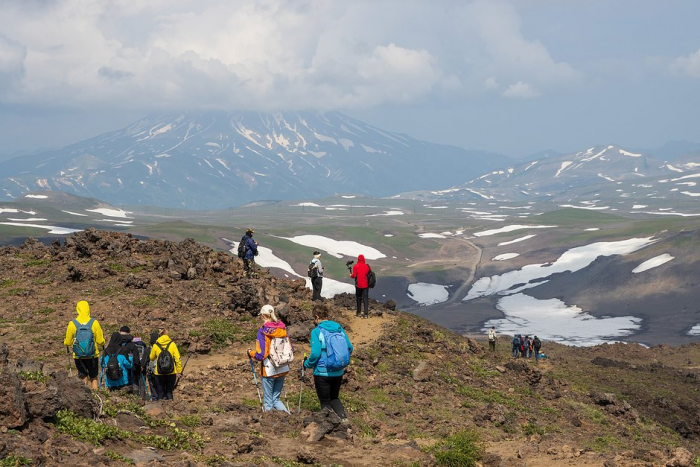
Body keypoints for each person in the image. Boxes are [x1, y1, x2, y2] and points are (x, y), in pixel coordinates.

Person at [303, 308, 353, 420]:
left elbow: (315, 353)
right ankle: (344, 420)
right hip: (338, 370)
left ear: (316, 317)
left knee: (325, 402)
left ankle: (329, 426)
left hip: (322, 372)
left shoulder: (316, 331)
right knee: (334, 398)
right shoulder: (339, 329)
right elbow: (350, 347)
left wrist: (307, 364)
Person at [247, 304, 291, 413]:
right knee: (276, 399)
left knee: (268, 402)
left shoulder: (263, 331)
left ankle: (269, 424)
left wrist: (250, 353)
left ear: (262, 316)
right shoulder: (282, 328)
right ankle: (290, 418)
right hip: (282, 367)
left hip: (269, 370)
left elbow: (261, 355)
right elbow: (291, 348)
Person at [64, 300, 105, 390]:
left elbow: (68, 342)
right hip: (93, 355)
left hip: (78, 356)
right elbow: (100, 340)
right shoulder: (94, 322)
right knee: (94, 377)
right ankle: (96, 397)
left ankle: (84, 397)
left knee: (82, 376)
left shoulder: (72, 323)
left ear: (78, 309)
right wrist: (103, 343)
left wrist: (67, 343)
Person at [149, 329, 182, 401]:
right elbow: (178, 359)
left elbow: (151, 358)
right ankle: (171, 407)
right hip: (171, 371)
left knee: (160, 392)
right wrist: (179, 371)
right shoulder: (172, 344)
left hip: (159, 372)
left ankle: (161, 408)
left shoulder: (155, 345)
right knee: (169, 392)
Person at [118, 325, 141, 394]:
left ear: (120, 332)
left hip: (116, 372)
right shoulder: (132, 345)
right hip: (130, 373)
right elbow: (136, 360)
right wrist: (138, 369)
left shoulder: (115, 344)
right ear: (129, 333)